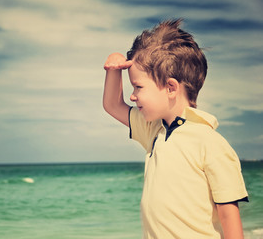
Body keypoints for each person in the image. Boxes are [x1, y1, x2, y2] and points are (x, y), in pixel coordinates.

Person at [102, 19, 248, 239]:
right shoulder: (153, 130)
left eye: (138, 87)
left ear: (171, 87)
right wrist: (114, 70)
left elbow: (228, 217)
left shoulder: (211, 144)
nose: (132, 96)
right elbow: (112, 105)